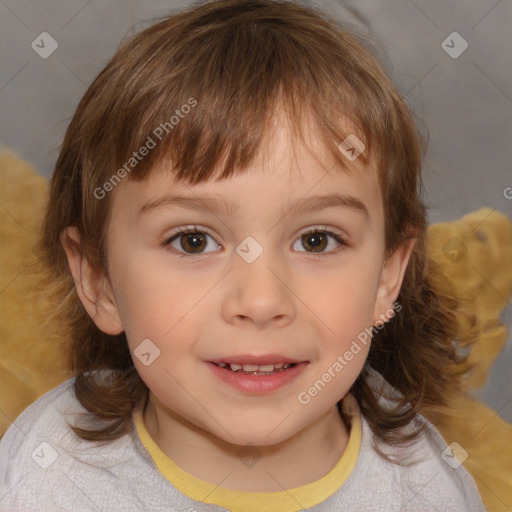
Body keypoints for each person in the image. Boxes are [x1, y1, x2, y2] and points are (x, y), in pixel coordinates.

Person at [0, 1, 487, 510]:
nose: (260, 301)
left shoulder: (428, 491)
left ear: (389, 276)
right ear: (97, 280)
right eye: (193, 240)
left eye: (317, 240)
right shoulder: (47, 479)